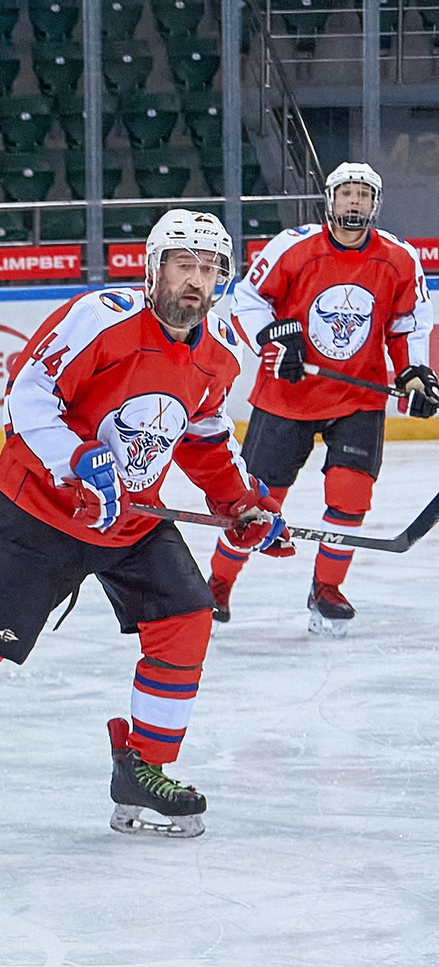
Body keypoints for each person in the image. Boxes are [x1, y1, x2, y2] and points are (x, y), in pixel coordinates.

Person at [0, 209, 289, 851]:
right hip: (38, 508)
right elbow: (28, 394)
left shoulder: (218, 355)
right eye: (182, 265)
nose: (194, 281)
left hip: (130, 517)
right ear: (153, 269)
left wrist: (241, 504)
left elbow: (204, 438)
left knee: (187, 616)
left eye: (207, 269)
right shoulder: (101, 318)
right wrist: (77, 457)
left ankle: (141, 769)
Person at [210, 161, 437, 635]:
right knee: (257, 501)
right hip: (287, 396)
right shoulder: (294, 248)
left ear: (375, 205)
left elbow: (408, 324)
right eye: (346, 193)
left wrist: (414, 374)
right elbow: (249, 301)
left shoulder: (398, 258)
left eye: (363, 195)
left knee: (351, 496)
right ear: (329, 200)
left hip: (358, 397)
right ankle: (217, 584)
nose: (354, 201)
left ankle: (327, 588)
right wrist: (274, 338)